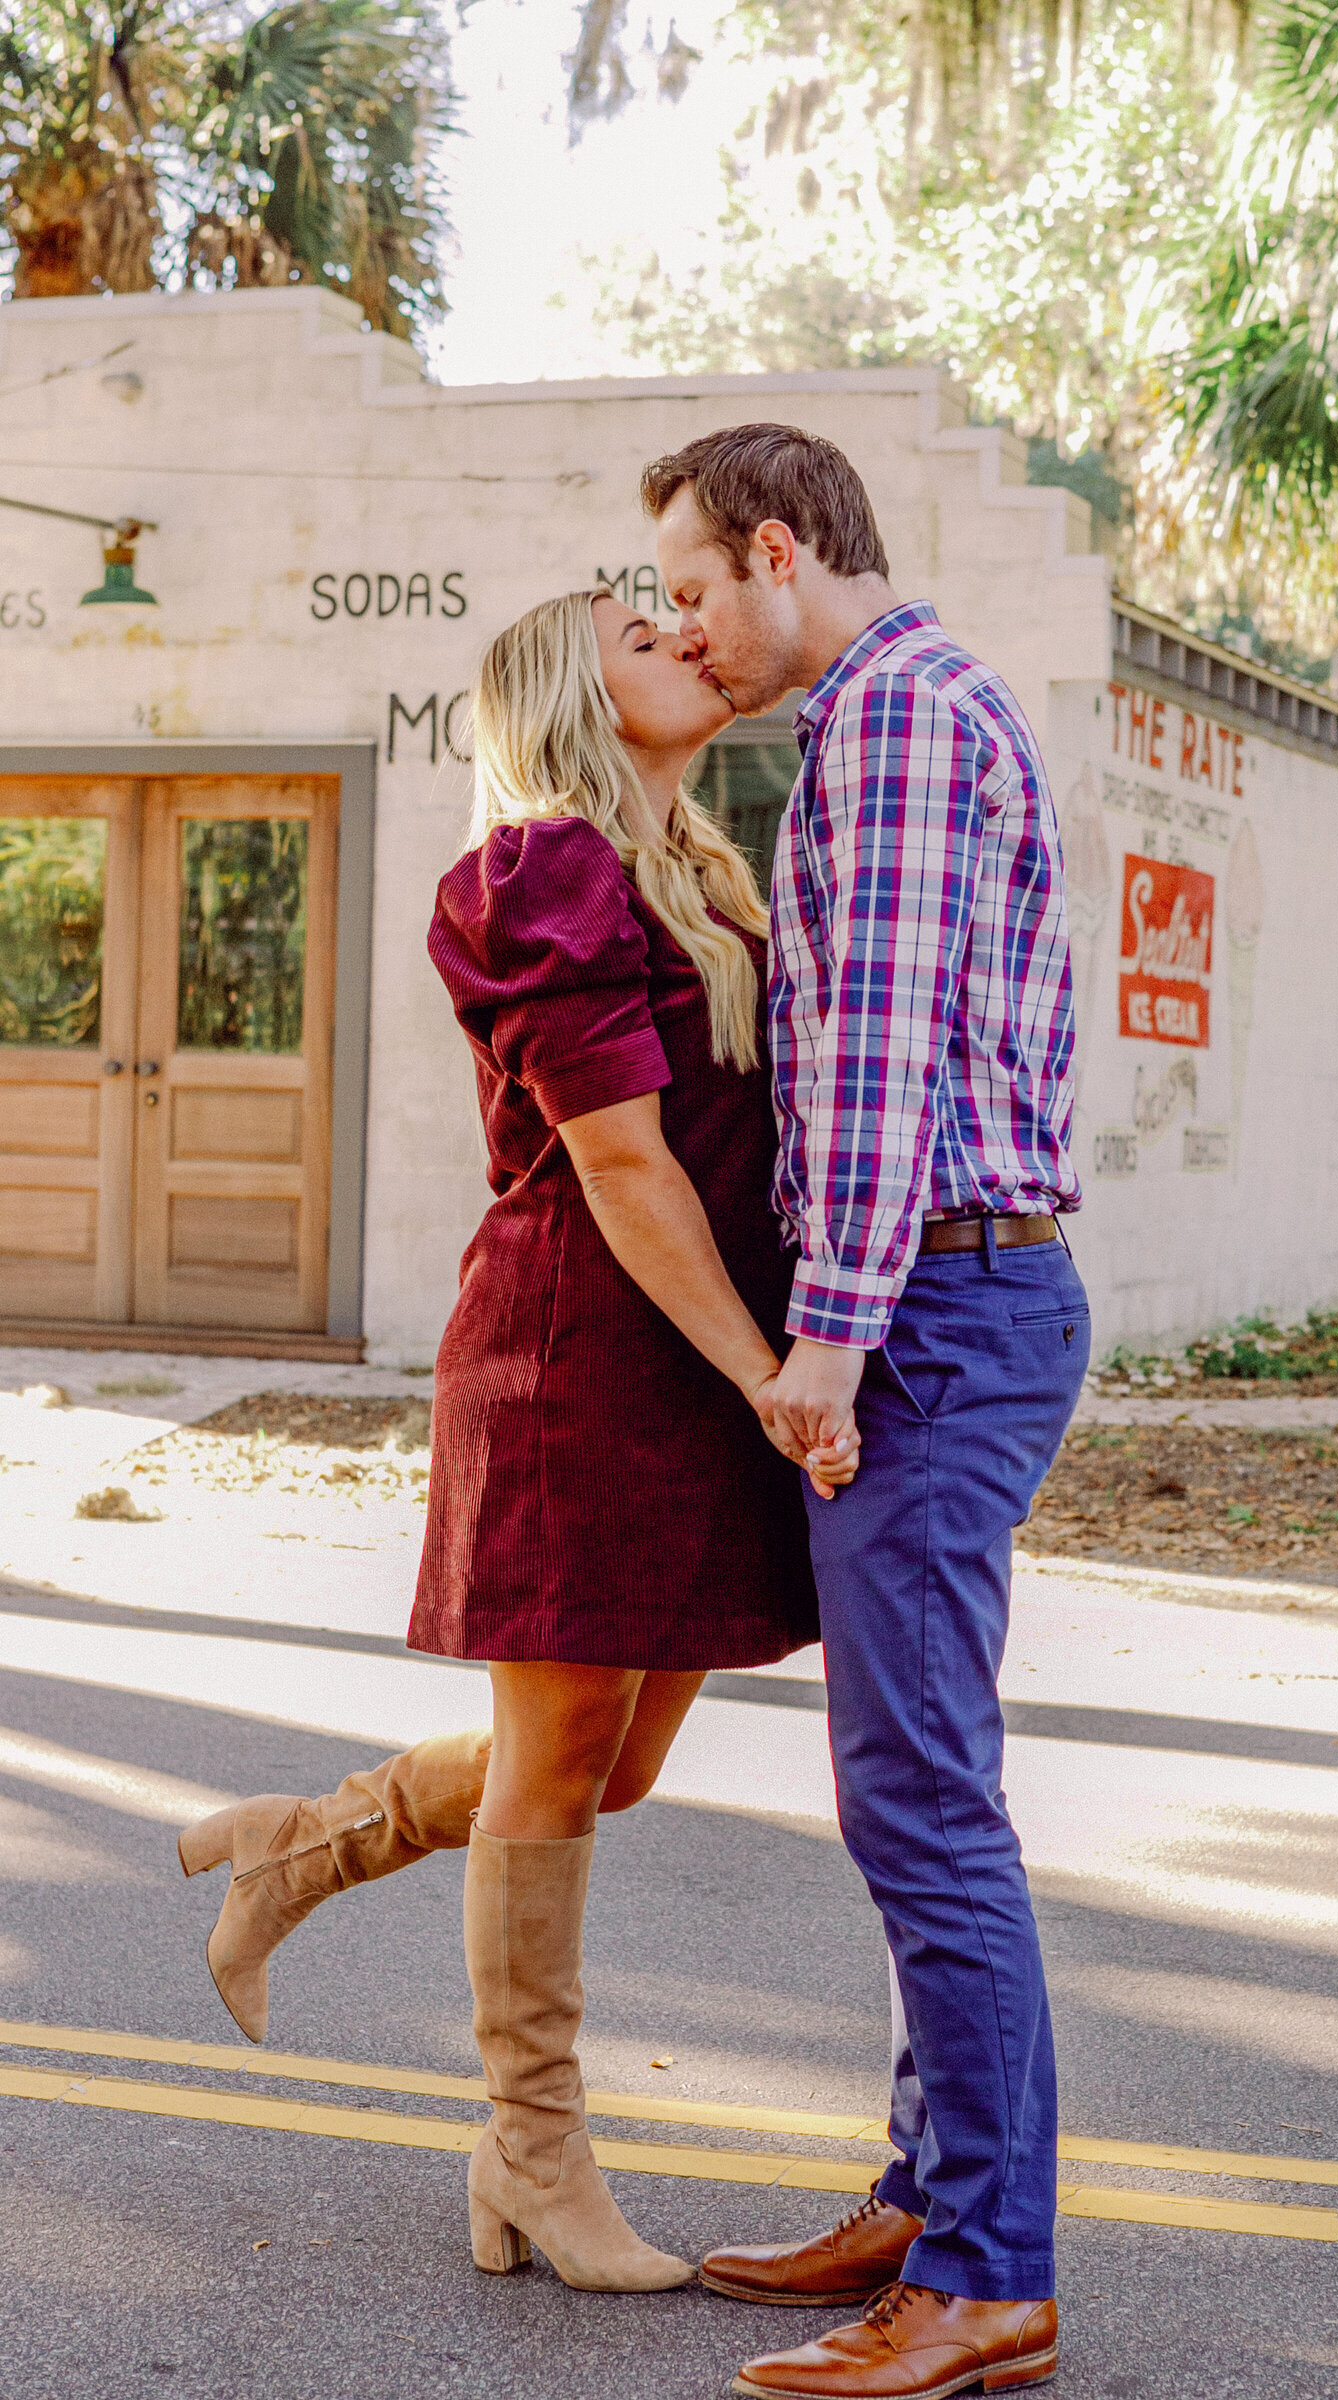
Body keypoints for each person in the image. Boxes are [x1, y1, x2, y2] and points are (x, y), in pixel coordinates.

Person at [178, 587, 857, 2297]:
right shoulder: (540, 870)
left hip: (695, 1358)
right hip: (584, 1359)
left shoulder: (701, 867)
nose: (687, 641)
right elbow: (622, 1166)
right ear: (569, 691)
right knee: (560, 1771)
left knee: (610, 1772)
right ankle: (533, 2153)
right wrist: (773, 1372)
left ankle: (301, 1845)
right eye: (642, 632)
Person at [644, 425, 1090, 2399]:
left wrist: (824, 1346)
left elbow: (890, 1063)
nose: (680, 628)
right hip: (951, 1299)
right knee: (915, 1778)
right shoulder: (901, 710)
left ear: (771, 549)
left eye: (686, 587)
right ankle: (927, 2197)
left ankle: (987, 2271)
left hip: (933, 1312)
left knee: (920, 1800)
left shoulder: (896, 724)